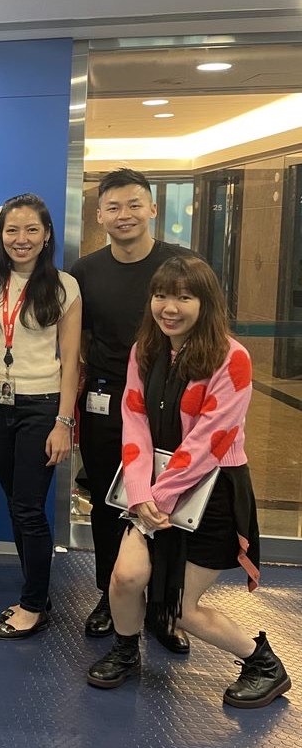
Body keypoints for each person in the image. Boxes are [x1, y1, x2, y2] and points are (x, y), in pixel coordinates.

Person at [86, 256, 291, 709]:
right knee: (125, 578)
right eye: (162, 295)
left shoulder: (231, 357)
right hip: (153, 490)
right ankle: (125, 651)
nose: (169, 307)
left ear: (206, 302)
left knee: (180, 608)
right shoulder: (147, 349)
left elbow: (209, 442)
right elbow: (134, 417)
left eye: (184, 296)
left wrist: (157, 496)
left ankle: (263, 665)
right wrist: (140, 494)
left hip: (210, 492)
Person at [70, 168, 195, 652]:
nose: (125, 215)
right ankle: (110, 594)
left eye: (134, 205)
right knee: (108, 499)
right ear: (100, 214)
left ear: (152, 209)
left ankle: (164, 608)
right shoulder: (86, 271)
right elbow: (78, 339)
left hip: (169, 399)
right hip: (105, 397)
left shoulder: (181, 266)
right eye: (114, 207)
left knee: (167, 503)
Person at [0, 193, 81, 639]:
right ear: (0, 237)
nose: (21, 239)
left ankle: (34, 604)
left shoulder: (64, 286)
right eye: (12, 230)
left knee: (29, 509)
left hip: (42, 406)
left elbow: (71, 360)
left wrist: (64, 422)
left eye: (32, 229)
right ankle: (36, 592)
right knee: (18, 506)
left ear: (47, 234)